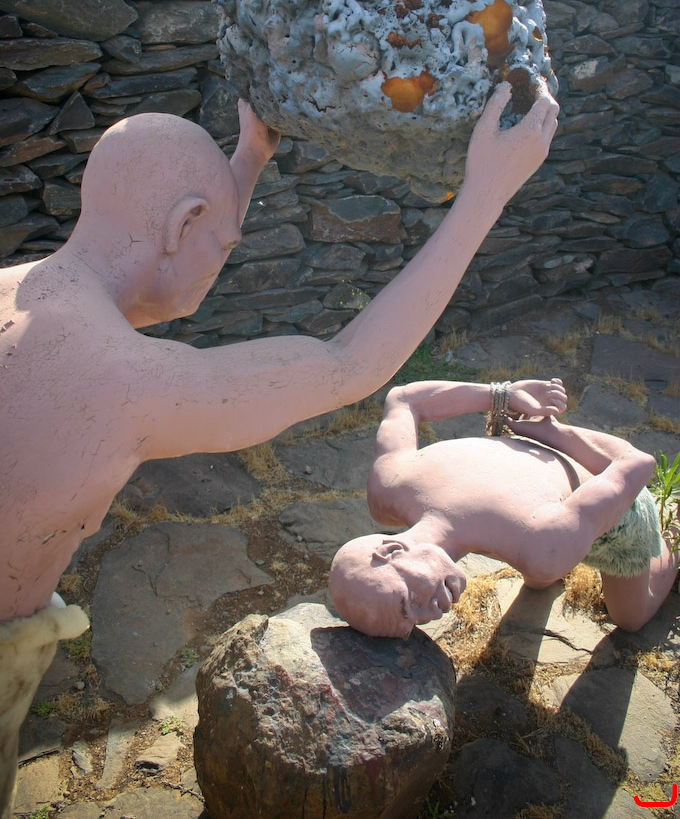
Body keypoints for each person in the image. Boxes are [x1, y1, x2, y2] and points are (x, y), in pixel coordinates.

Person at [0, 82, 557, 817]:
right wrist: (485, 194)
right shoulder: (119, 383)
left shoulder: (28, 292)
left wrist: (250, 156)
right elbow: (348, 366)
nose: (224, 254)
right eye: (224, 243)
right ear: (183, 222)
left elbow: (178, 241)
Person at [329, 377, 679, 639]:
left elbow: (635, 463)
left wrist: (557, 434)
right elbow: (403, 398)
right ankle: (543, 574)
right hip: (547, 497)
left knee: (630, 619)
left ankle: (676, 524)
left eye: (409, 602)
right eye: (413, 625)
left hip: (616, 505)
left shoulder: (544, 544)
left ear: (391, 549)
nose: (429, 615)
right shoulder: (388, 485)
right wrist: (501, 395)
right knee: (539, 562)